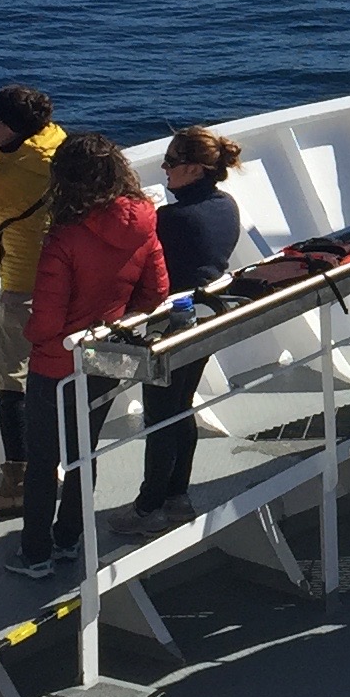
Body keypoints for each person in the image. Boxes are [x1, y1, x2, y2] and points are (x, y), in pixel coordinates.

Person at [10, 131, 168, 579]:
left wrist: (29, 333)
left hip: (55, 366)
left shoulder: (64, 239)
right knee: (83, 453)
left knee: (43, 461)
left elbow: (46, 324)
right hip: (103, 358)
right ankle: (68, 539)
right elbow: (155, 292)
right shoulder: (143, 224)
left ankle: (35, 554)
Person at [121, 126, 247, 537]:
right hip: (207, 317)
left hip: (170, 323)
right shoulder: (225, 205)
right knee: (181, 406)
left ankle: (149, 508)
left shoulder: (172, 219)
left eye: (172, 162)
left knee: (160, 415)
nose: (165, 168)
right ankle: (177, 496)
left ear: (194, 169)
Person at [0, 84, 66, 518]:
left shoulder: (19, 171)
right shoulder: (56, 142)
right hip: (62, 281)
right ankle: (58, 463)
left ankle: (19, 485)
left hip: (26, 287)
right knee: (55, 377)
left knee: (11, 382)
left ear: (10, 126)